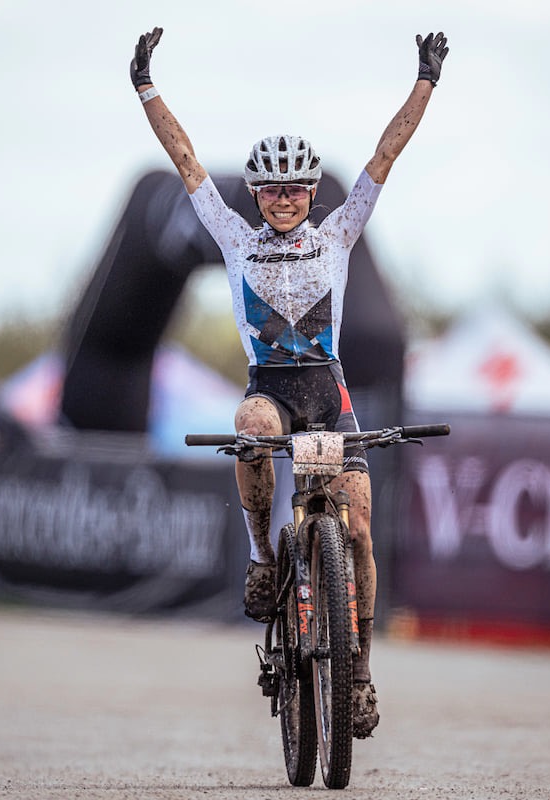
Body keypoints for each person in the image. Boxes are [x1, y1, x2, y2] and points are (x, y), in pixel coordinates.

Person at [131, 25, 448, 739]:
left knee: (359, 527)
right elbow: (183, 159)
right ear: (256, 193)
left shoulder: (337, 235)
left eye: (295, 188)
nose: (282, 198)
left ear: (309, 192)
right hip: (272, 393)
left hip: (327, 400)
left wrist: (425, 81)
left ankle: (359, 672)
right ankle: (263, 560)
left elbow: (385, 155)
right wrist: (147, 86)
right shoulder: (235, 239)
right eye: (271, 189)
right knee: (252, 431)